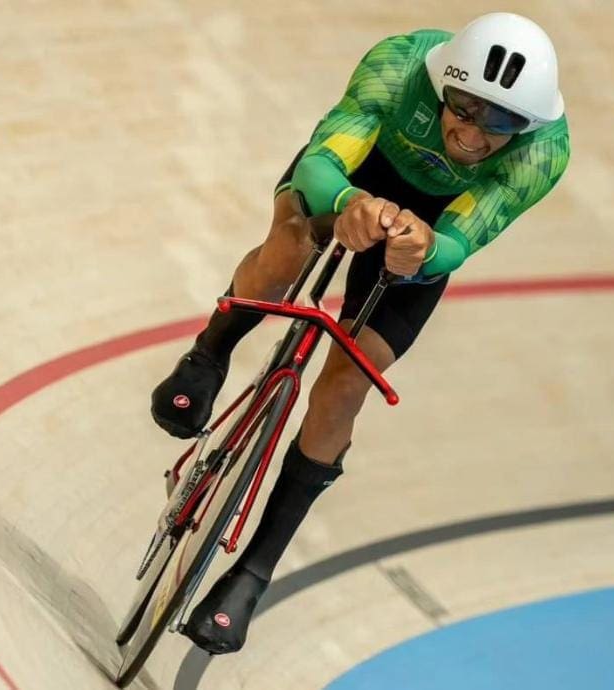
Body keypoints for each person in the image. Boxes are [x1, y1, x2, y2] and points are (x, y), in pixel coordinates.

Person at [150, 12, 570, 655]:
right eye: (462, 106)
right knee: (290, 246)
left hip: (428, 225)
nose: (472, 132)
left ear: (529, 126)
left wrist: (427, 248)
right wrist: (347, 203)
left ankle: (252, 573)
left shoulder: (543, 153)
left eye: (501, 122)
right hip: (353, 172)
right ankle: (210, 354)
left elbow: (462, 238)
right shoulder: (401, 66)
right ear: (443, 85)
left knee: (348, 380)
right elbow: (322, 163)